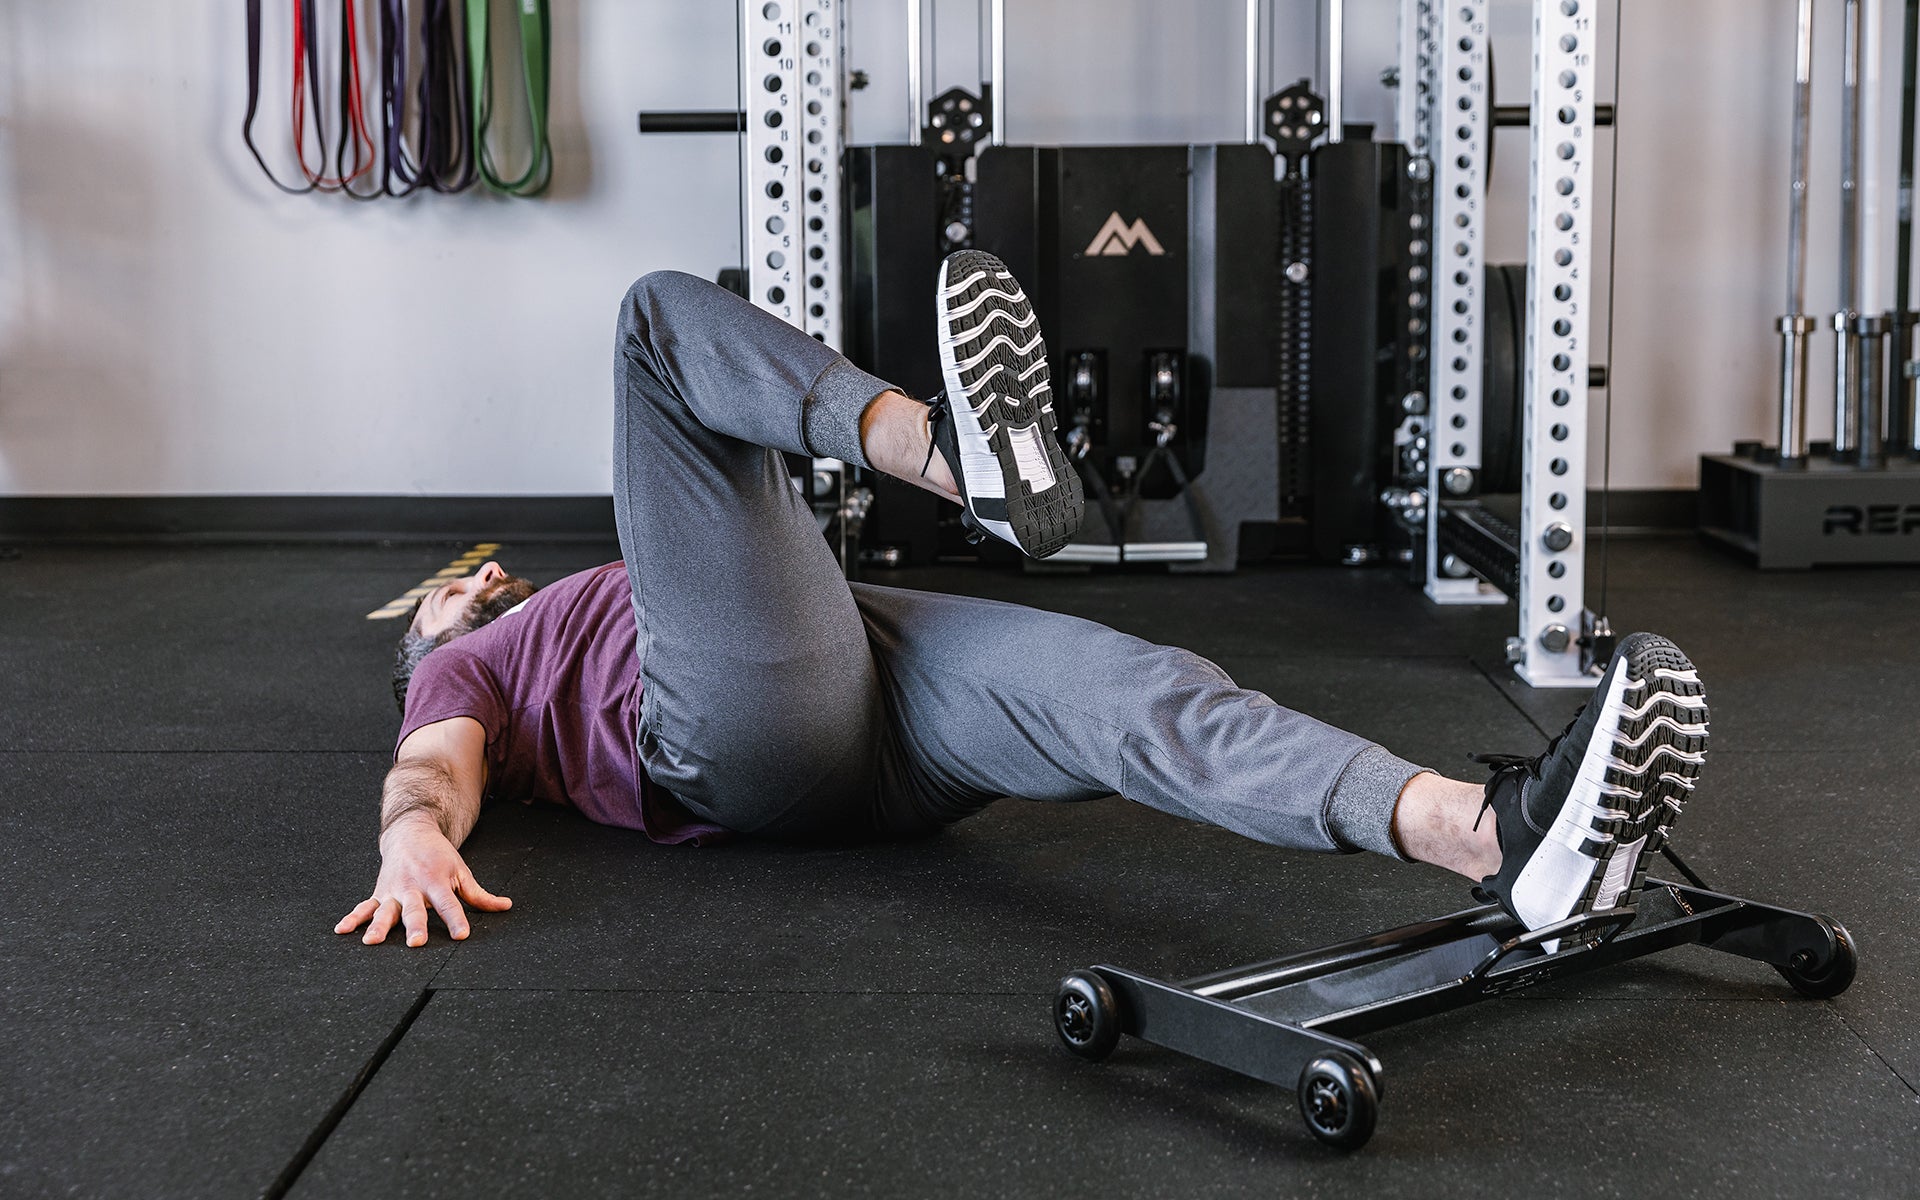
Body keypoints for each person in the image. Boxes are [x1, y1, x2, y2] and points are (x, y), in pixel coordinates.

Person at [335, 255, 1709, 951]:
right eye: (445, 602)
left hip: (868, 675)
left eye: (467, 586)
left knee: (1143, 693)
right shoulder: (472, 671)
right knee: (653, 323)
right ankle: (960, 463)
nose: (473, 588)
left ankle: (1493, 841)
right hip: (730, 734)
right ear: (427, 647)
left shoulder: (595, 590)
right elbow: (428, 770)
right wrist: (409, 843)